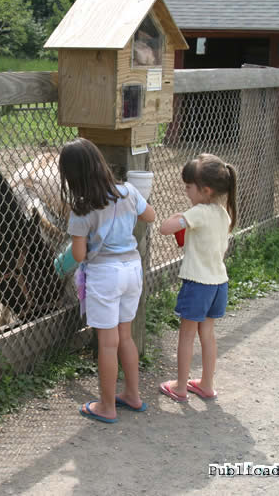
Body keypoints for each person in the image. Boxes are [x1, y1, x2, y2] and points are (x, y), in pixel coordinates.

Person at [59, 137, 156, 423]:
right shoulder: (127, 192)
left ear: (71, 176)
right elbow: (149, 216)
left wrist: (88, 242)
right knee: (125, 336)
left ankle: (106, 405)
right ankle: (133, 395)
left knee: (108, 343)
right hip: (132, 269)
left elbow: (78, 254)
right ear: (100, 164)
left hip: (105, 275)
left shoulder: (81, 208)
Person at [158, 153, 237, 402]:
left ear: (205, 189)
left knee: (186, 335)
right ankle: (206, 383)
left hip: (198, 284)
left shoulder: (199, 212)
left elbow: (165, 228)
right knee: (208, 334)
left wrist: (178, 215)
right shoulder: (223, 213)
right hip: (218, 282)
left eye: (189, 187)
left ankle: (181, 387)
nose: (186, 191)